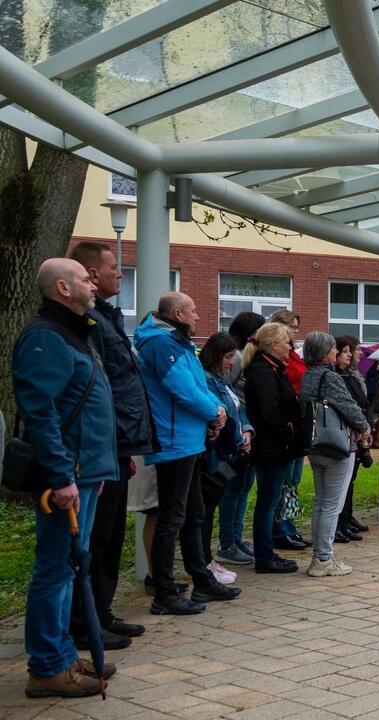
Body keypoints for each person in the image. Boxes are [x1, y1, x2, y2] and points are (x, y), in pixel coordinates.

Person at [15, 259, 117, 698]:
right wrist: (61, 476)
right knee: (56, 569)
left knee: (71, 566)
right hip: (67, 476)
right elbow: (42, 414)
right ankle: (46, 667)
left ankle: (61, 654)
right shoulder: (45, 337)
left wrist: (97, 467)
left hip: (85, 471)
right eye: (84, 279)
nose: (92, 285)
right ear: (62, 287)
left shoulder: (74, 333)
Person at [68, 243, 155, 651]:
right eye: (113, 268)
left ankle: (101, 612)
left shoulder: (106, 318)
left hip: (118, 445)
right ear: (91, 274)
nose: (120, 274)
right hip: (104, 445)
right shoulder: (90, 323)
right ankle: (85, 622)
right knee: (97, 536)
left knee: (110, 535)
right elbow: (100, 388)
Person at [135, 292, 237, 615]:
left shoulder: (178, 343)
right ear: (178, 313)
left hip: (188, 440)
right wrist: (214, 412)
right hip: (173, 442)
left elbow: (200, 386)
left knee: (194, 513)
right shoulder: (161, 344)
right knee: (172, 517)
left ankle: (201, 579)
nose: (197, 316)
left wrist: (216, 409)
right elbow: (184, 390)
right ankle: (163, 592)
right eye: (193, 310)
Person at [300, 332, 370, 576]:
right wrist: (364, 426)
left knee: (321, 501)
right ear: (324, 352)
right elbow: (347, 406)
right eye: (332, 348)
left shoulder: (308, 375)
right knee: (332, 504)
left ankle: (319, 554)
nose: (336, 351)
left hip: (316, 443)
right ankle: (323, 557)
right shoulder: (330, 376)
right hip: (337, 445)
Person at [243, 322, 303, 574]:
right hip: (270, 447)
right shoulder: (264, 373)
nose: (291, 347)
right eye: (287, 342)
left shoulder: (272, 369)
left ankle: (266, 551)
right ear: (274, 344)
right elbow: (270, 412)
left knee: (270, 498)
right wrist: (288, 432)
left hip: (275, 445)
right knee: (268, 500)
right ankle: (264, 555)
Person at [199, 332, 251, 588]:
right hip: (216, 455)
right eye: (228, 357)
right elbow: (219, 414)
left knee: (214, 502)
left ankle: (207, 559)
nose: (232, 362)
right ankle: (205, 561)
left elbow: (237, 409)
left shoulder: (222, 380)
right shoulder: (207, 380)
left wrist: (247, 430)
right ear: (216, 356)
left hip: (230, 452)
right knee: (206, 508)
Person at [216, 311, 265, 565]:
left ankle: (236, 537)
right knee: (234, 487)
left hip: (249, 428)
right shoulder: (235, 357)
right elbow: (228, 392)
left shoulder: (246, 354)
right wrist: (242, 426)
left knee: (244, 486)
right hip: (239, 428)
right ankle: (227, 542)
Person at [268, 310, 310, 551]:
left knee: (293, 480)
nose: (295, 331)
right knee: (282, 481)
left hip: (298, 423)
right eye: (292, 327)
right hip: (286, 424)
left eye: (296, 326)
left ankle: (289, 525)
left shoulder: (292, 354)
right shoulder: (278, 358)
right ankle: (280, 529)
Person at [334, 335, 372, 542]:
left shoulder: (351, 376)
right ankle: (339, 522)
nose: (351, 355)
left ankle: (346, 518)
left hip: (357, 433)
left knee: (350, 480)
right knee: (340, 483)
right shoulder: (336, 378)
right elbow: (348, 405)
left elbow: (363, 402)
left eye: (352, 351)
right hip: (346, 434)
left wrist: (367, 425)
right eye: (346, 351)